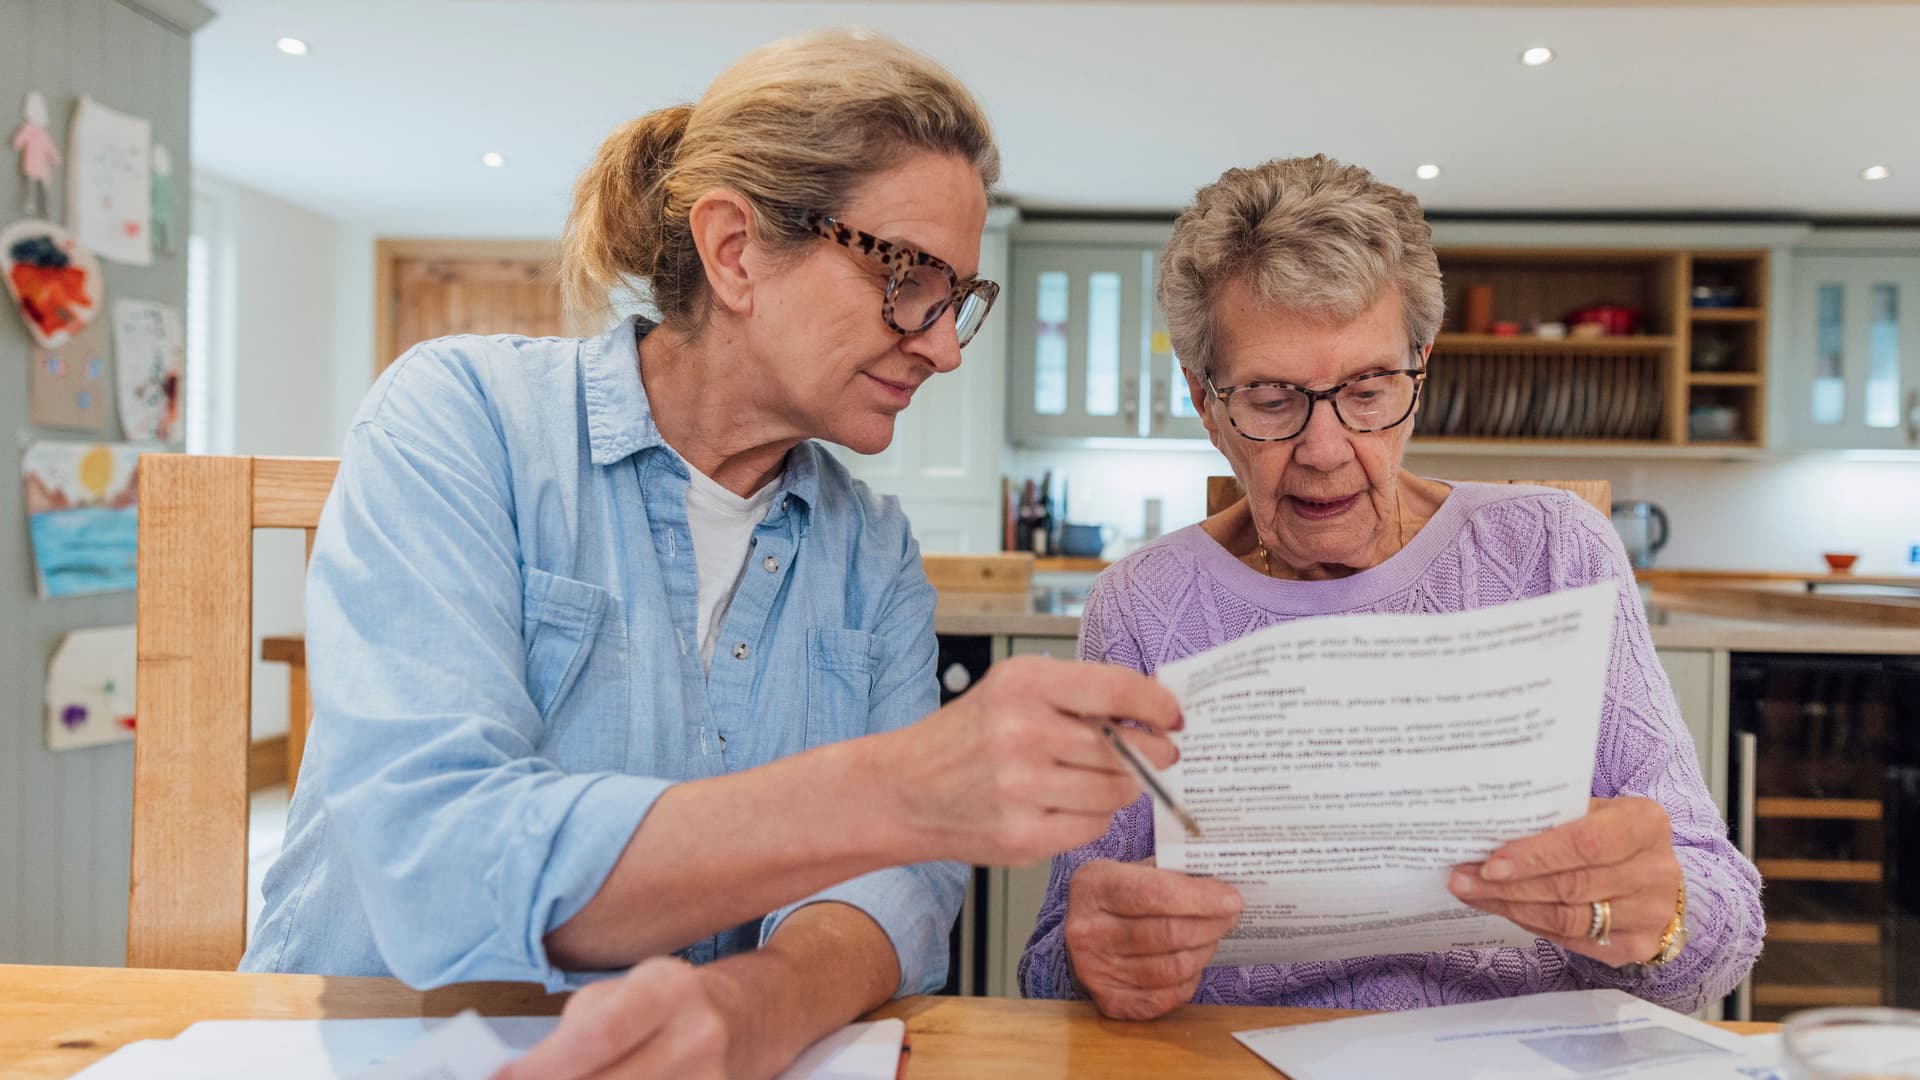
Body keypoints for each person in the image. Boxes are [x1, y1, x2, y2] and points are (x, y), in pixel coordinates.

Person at [241, 30, 1180, 1080]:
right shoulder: (464, 419)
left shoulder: (870, 551)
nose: (945, 343)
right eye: (910, 276)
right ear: (735, 251)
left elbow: (900, 888)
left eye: (958, 295)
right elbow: (438, 866)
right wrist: (901, 788)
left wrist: (754, 1008)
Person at [1018, 155, 1763, 1020]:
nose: (1327, 448)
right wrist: (1101, 958)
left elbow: (1722, 938)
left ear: (1421, 371)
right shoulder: (1141, 607)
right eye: (1269, 398)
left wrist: (1658, 915)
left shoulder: (1556, 555)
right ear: (1205, 400)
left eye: (1368, 390)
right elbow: (1051, 973)